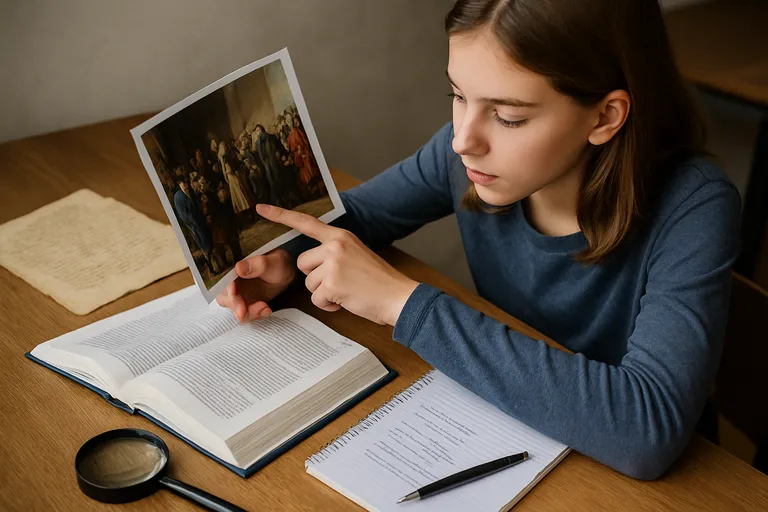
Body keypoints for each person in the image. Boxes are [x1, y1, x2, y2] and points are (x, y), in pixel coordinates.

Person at [216, 0, 741, 481]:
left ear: (604, 117)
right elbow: (365, 214)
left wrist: (402, 303)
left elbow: (645, 429)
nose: (464, 140)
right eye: (458, 96)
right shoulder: (464, 155)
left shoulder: (694, 208)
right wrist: (284, 259)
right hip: (506, 434)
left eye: (509, 117)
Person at [173, 178, 214, 273]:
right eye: (183, 184)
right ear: (179, 185)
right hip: (193, 224)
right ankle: (211, 269)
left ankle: (213, 265)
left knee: (208, 241)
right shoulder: (178, 197)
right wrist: (192, 223)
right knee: (203, 245)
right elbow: (183, 214)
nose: (185, 186)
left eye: (186, 184)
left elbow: (197, 205)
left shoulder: (190, 192)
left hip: (200, 221)